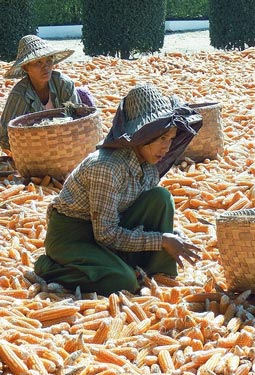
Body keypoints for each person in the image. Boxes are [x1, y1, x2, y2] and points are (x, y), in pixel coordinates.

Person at [34, 83, 203, 296]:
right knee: (122, 281)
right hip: (73, 236)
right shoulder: (107, 167)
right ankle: (50, 267)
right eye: (161, 139)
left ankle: (154, 272)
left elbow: (143, 214)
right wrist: (161, 240)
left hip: (111, 224)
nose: (167, 148)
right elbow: (105, 234)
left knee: (160, 197)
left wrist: (171, 237)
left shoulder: (148, 166)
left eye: (170, 139)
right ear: (143, 135)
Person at [0, 35, 95, 150]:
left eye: (49, 61)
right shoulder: (20, 94)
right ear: (26, 68)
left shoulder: (64, 84)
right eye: (38, 63)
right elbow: (5, 137)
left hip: (68, 145)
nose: (46, 67)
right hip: (34, 150)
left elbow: (78, 121)